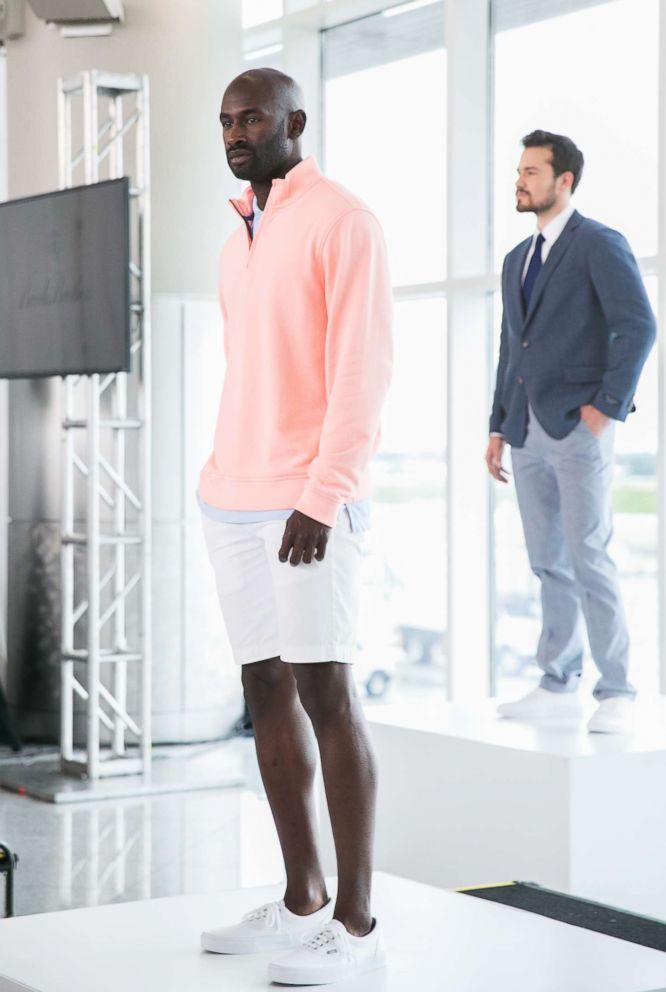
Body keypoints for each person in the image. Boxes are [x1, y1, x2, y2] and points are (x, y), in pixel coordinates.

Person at [197, 68, 392, 986]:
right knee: (263, 693)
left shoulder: (342, 220)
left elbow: (362, 369)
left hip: (305, 500)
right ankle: (301, 896)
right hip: (230, 494)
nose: (238, 132)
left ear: (295, 124)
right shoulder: (243, 226)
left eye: (255, 118)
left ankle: (356, 927)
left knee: (327, 693)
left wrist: (324, 494)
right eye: (229, 121)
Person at [488, 130, 656, 735]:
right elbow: (514, 347)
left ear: (565, 181)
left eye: (533, 172)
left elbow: (637, 327)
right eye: (520, 171)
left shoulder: (598, 244)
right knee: (546, 561)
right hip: (526, 428)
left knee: (589, 555)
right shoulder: (517, 259)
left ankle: (617, 689)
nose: (521, 180)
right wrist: (497, 426)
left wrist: (605, 408)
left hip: (579, 426)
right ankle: (558, 681)